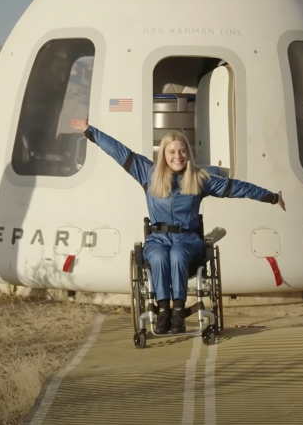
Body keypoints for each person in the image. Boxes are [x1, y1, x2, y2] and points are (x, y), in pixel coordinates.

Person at [70, 116, 286, 334]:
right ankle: (164, 311)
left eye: (182, 151)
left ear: (188, 153)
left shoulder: (200, 178)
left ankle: (178, 312)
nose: (177, 156)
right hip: (157, 239)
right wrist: (90, 131)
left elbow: (237, 187)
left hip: (188, 240)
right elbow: (118, 151)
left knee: (177, 254)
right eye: (172, 152)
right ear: (164, 154)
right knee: (158, 256)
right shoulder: (148, 173)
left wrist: (271, 197)